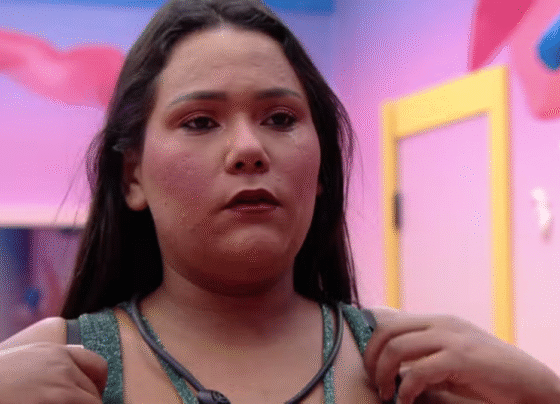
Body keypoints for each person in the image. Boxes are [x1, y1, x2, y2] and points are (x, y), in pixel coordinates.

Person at [1, 0, 559, 403]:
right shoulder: (57, 370)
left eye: (280, 118)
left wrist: (543, 393)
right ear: (132, 177)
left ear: (321, 172)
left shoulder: (413, 368)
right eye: (200, 122)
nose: (249, 149)